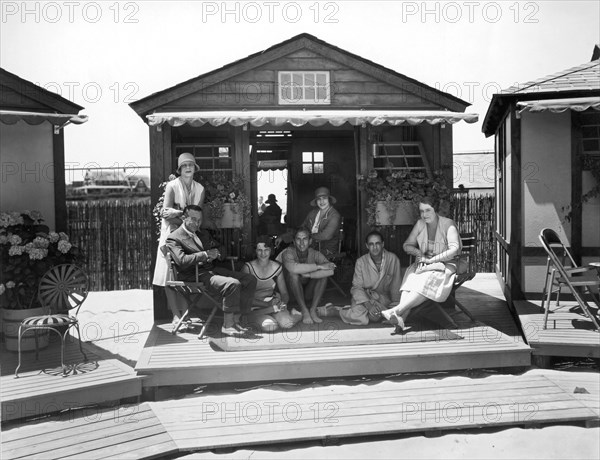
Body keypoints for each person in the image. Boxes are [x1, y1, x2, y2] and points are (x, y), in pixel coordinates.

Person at [165, 205, 257, 337]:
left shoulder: (203, 234)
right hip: (195, 275)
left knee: (249, 280)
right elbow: (182, 260)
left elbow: (221, 247)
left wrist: (218, 252)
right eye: (193, 219)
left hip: (212, 270)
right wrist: (206, 254)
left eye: (200, 220)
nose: (197, 223)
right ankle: (228, 325)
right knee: (232, 284)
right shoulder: (174, 238)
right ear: (184, 218)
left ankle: (238, 318)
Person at [381, 196, 462, 331]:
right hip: (425, 263)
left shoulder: (448, 224)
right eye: (421, 211)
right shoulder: (420, 224)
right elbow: (407, 245)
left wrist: (431, 260)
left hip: (447, 264)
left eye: (428, 210)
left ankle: (397, 310)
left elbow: (454, 250)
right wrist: (420, 255)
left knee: (425, 278)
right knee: (411, 277)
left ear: (436, 210)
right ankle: (401, 318)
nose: (424, 215)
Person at [153, 152, 206, 325]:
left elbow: (197, 218)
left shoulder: (200, 189)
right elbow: (166, 214)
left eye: (191, 165)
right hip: (171, 235)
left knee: (186, 273)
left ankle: (186, 314)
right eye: (184, 166)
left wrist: (180, 213)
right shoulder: (172, 186)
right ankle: (176, 315)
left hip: (190, 235)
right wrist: (185, 217)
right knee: (170, 274)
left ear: (195, 168)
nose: (188, 168)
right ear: (180, 169)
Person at [317, 230, 402, 325]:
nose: (375, 247)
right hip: (364, 297)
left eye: (377, 243)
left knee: (373, 317)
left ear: (383, 244)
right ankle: (334, 311)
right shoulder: (361, 262)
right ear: (367, 246)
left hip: (383, 300)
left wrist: (396, 309)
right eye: (371, 244)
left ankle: (345, 310)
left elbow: (396, 285)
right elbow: (356, 287)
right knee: (360, 317)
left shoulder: (393, 259)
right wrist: (368, 305)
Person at [241, 236, 302, 332]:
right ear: (255, 251)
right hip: (255, 309)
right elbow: (244, 298)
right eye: (259, 250)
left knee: (287, 323)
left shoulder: (277, 267)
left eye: (266, 250)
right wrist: (266, 304)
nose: (263, 253)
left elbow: (284, 293)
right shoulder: (248, 268)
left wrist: (283, 303)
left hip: (272, 306)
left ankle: (296, 315)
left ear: (271, 250)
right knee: (270, 325)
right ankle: (274, 319)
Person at [276, 227, 336, 324]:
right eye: (298, 239)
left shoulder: (315, 254)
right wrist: (319, 266)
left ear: (310, 241)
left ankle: (313, 309)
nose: (302, 243)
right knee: (293, 275)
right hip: (291, 294)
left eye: (305, 239)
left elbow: (330, 271)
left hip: (307, 294)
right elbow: (294, 269)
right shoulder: (287, 253)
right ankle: (304, 310)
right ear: (294, 242)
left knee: (323, 277)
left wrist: (308, 275)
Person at [276, 187, 341, 258]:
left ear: (329, 199)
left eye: (324, 198)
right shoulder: (313, 213)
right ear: (316, 201)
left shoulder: (334, 215)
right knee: (285, 253)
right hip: (309, 246)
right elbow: (301, 229)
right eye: (319, 199)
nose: (321, 202)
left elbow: (326, 236)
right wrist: (283, 237)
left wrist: (305, 237)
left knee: (292, 256)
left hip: (325, 249)